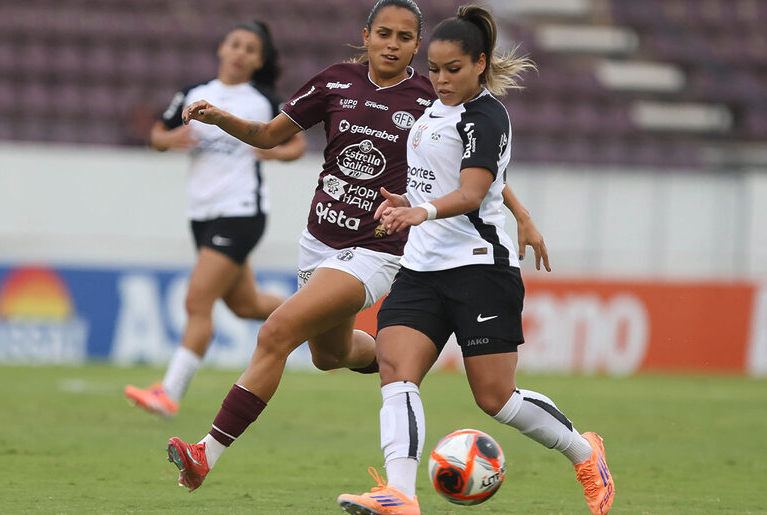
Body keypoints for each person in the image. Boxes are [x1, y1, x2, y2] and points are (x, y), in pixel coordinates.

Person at [163, 0, 549, 494]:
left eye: (404, 37)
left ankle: (204, 455)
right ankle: (391, 359)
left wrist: (523, 217)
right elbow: (266, 134)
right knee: (331, 353)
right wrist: (222, 119)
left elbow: (479, 169)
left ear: (416, 44)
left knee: (277, 331)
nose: (392, 44)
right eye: (383, 33)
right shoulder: (335, 82)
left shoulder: (434, 95)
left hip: (378, 248)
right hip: (319, 239)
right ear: (365, 35)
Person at [337, 6, 614, 515]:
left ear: (480, 64)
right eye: (435, 68)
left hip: (479, 269)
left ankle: (585, 451)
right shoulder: (433, 111)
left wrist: (420, 211)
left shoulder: (487, 116)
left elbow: (471, 192)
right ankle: (400, 494)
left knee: (495, 399)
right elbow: (442, 180)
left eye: (453, 69)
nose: (440, 79)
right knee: (395, 369)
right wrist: (406, 201)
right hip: (421, 269)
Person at [124, 21, 306, 417]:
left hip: (241, 211)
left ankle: (168, 392)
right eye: (235, 44)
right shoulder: (195, 93)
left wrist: (272, 152)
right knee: (245, 304)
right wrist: (169, 140)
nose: (241, 52)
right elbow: (157, 135)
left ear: (259, 61)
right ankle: (319, 315)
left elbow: (297, 144)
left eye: (250, 49)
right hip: (202, 214)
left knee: (197, 299)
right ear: (222, 48)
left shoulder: (262, 99)